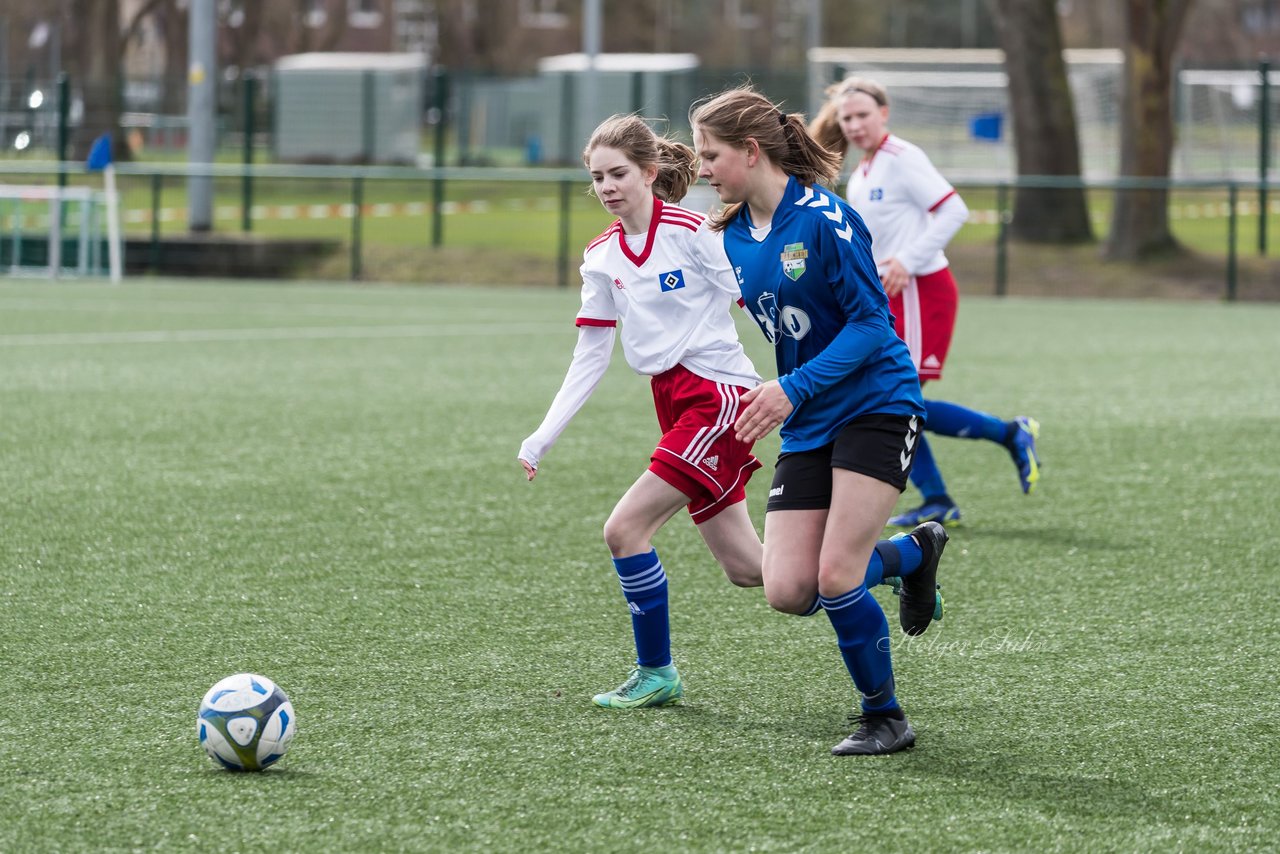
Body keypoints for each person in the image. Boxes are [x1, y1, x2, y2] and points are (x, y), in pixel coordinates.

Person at [518, 114, 944, 715]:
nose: (608, 186)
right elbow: (592, 352)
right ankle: (907, 555)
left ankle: (659, 672)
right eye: (597, 178)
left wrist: (788, 384)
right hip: (692, 403)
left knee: (625, 529)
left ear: (649, 171)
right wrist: (542, 436)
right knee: (764, 577)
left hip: (723, 400)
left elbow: (787, 301)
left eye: (618, 173)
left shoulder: (700, 231)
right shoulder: (615, 254)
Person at [690, 87, 947, 755]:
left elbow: (872, 324)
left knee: (837, 577)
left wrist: (792, 387)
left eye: (710, 154)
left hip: (876, 402)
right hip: (810, 419)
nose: (702, 168)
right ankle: (913, 554)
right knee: (786, 588)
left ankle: (885, 718)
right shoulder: (732, 236)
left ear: (751, 152)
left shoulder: (827, 219)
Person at [809, 76, 1041, 528]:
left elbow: (953, 209)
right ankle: (940, 495)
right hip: (890, 297)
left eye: (862, 115)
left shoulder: (902, 157)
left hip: (920, 292)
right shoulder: (862, 173)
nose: (855, 125)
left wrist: (907, 261)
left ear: (884, 113)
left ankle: (1008, 435)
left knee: (894, 399)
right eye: (847, 117)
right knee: (887, 399)